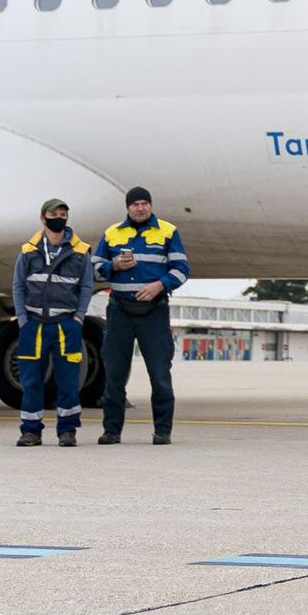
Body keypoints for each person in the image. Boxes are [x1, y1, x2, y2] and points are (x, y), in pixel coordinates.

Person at [93, 187, 190, 444]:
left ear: (150, 205)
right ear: (127, 208)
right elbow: (94, 269)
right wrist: (112, 266)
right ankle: (111, 431)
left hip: (154, 313)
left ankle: (162, 431)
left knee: (159, 374)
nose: (140, 208)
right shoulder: (112, 233)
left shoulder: (168, 231)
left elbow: (182, 269)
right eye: (135, 204)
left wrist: (161, 285)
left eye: (144, 203)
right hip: (119, 312)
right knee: (114, 374)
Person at [10, 199, 96, 447]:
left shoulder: (80, 252)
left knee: (68, 381)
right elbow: (18, 285)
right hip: (33, 325)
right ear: (43, 218)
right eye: (53, 214)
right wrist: (23, 320)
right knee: (31, 381)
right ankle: (30, 431)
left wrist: (79, 316)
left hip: (66, 325)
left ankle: (67, 431)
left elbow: (87, 286)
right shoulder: (28, 250)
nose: (59, 217)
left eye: (63, 214)